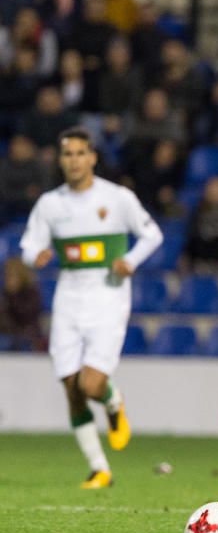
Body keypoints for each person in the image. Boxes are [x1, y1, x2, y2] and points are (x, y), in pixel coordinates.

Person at [20, 127, 163, 489]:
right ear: (60, 159)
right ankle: (99, 467)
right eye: (67, 154)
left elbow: (152, 235)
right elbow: (28, 244)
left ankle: (113, 401)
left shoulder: (117, 198)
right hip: (69, 294)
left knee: (90, 382)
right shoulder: (51, 204)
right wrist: (35, 255)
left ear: (93, 157)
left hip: (108, 294)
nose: (74, 160)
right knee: (70, 385)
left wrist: (129, 260)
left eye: (80, 153)